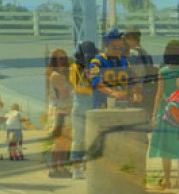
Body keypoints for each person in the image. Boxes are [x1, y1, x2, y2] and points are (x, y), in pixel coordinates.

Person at [148, 40, 179, 189]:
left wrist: (154, 115)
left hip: (165, 111)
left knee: (165, 147)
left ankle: (167, 178)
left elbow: (159, 95)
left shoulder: (163, 71)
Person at [69, 41, 97, 179]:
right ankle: (77, 168)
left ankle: (83, 168)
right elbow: (80, 86)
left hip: (83, 105)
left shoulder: (75, 67)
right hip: (84, 104)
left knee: (83, 139)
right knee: (81, 139)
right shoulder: (76, 68)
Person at [46, 49, 74, 178]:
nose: (62, 61)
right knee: (58, 142)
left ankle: (61, 167)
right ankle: (53, 168)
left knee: (66, 141)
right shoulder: (55, 75)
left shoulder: (64, 75)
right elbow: (64, 92)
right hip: (59, 112)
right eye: (59, 59)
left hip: (66, 110)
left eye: (64, 58)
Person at [88, 28, 131, 110]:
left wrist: (136, 91)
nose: (117, 50)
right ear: (106, 45)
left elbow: (132, 82)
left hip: (121, 106)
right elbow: (96, 83)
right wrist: (112, 92)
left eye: (120, 47)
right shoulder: (97, 62)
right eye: (114, 47)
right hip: (102, 106)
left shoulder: (125, 62)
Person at [124, 28, 157, 117]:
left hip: (137, 91)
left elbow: (137, 74)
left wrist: (137, 91)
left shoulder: (133, 54)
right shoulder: (145, 53)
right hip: (146, 90)